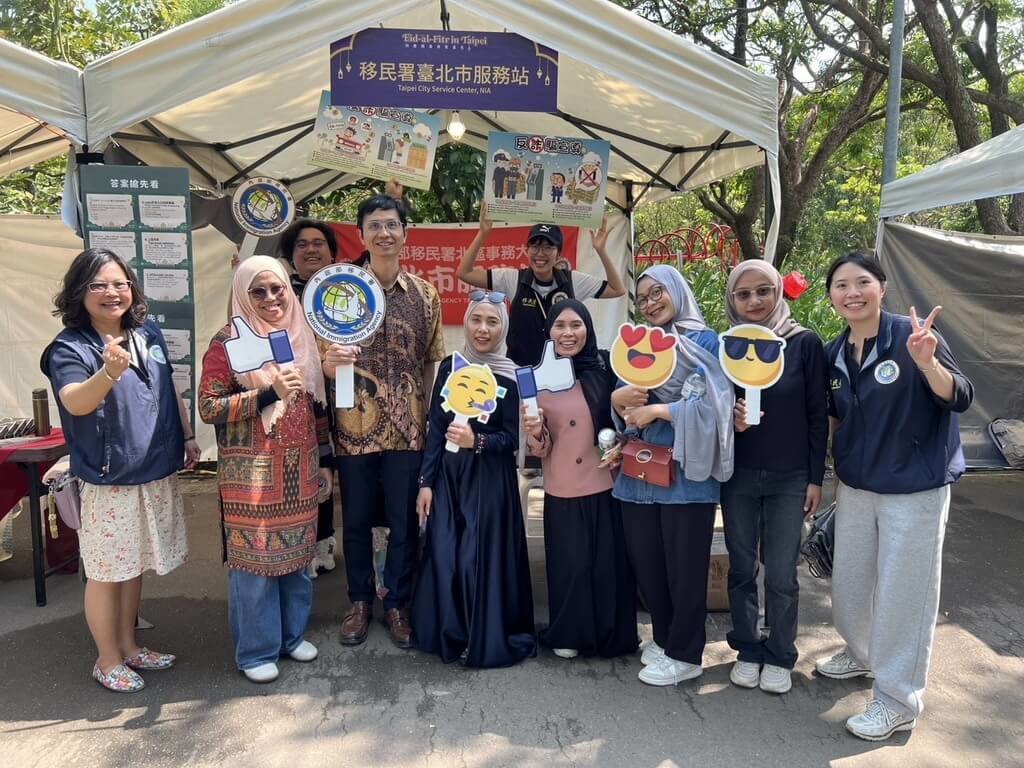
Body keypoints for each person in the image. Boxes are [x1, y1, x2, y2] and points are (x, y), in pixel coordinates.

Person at [815, 252, 973, 741]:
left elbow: (959, 395)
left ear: (881, 288)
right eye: (841, 285)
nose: (852, 293)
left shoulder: (914, 337)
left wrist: (928, 363)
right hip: (857, 487)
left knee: (905, 595)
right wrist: (831, 478)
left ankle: (897, 700)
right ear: (831, 296)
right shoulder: (834, 352)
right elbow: (835, 418)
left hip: (914, 488)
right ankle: (862, 652)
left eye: (862, 282)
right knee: (850, 585)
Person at [42, 248, 197, 693]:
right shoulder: (70, 347)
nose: (112, 293)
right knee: (107, 571)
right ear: (79, 292)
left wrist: (187, 436)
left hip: (154, 467)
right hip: (109, 476)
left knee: (134, 563)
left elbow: (168, 386)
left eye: (120, 283)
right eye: (99, 285)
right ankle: (106, 659)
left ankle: (129, 646)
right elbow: (75, 402)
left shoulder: (146, 331)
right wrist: (108, 373)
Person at [199, 256, 333, 684]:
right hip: (250, 475)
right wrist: (266, 394)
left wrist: (327, 462)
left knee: (297, 557)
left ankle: (291, 637)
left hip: (300, 469)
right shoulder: (229, 342)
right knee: (254, 563)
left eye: (277, 289)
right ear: (243, 294)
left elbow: (316, 406)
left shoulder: (301, 334)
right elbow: (208, 407)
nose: (271, 298)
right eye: (258, 291)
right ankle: (256, 650)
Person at [323, 195, 445, 649]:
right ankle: (359, 601)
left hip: (408, 429)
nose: (384, 233)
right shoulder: (341, 291)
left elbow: (430, 361)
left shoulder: (425, 295)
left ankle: (397, 602)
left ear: (405, 233)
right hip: (353, 426)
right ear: (362, 234)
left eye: (392, 225)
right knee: (355, 520)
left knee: (403, 521)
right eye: (374, 225)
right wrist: (331, 363)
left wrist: (427, 418)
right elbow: (323, 359)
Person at [610, 264, 734, 686]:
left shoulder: (706, 342)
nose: (650, 303)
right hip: (638, 475)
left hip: (686, 477)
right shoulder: (637, 344)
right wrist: (620, 400)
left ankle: (685, 653)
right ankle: (664, 639)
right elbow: (624, 410)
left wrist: (660, 410)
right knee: (648, 563)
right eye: (643, 298)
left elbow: (716, 407)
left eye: (657, 292)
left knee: (685, 568)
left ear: (677, 291)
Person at [719, 260, 828, 695]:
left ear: (778, 292)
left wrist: (815, 478)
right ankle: (747, 649)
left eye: (763, 290)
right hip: (738, 476)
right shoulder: (728, 345)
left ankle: (781, 653)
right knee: (741, 568)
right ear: (732, 299)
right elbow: (709, 408)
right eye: (743, 294)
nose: (754, 301)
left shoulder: (803, 344)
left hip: (790, 477)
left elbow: (818, 416)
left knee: (781, 572)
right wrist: (730, 420)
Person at [410, 293, 536, 667]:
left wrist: (476, 441)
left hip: (490, 484)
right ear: (465, 323)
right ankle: (448, 632)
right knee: (444, 554)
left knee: (474, 560)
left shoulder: (512, 375)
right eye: (476, 320)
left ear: (503, 328)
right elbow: (436, 428)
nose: (483, 329)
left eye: (492, 322)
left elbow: (512, 439)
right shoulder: (451, 366)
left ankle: (479, 633)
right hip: (448, 480)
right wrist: (425, 483)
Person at [523, 299, 638, 659]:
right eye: (560, 326)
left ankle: (611, 634)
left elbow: (624, 422)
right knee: (570, 564)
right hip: (563, 484)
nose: (568, 333)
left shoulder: (605, 367)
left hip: (605, 481)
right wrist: (534, 431)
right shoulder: (536, 378)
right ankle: (570, 632)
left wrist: (621, 437)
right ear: (549, 332)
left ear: (588, 328)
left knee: (606, 563)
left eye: (576, 325)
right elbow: (539, 448)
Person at [457, 205, 626, 366]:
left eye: (548, 247)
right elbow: (464, 273)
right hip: (521, 373)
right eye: (535, 246)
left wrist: (601, 250)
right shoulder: (513, 278)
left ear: (558, 254)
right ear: (526, 250)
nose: (540, 254)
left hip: (564, 373)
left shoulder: (572, 281)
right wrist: (483, 233)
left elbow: (617, 289)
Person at [279, 218, 339, 576]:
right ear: (291, 254)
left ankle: (325, 541)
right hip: (297, 395)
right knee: (306, 465)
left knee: (332, 466)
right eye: (302, 244)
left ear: (332, 252)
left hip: (345, 391)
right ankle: (300, 543)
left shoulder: (348, 287)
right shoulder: (279, 292)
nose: (311, 249)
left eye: (319, 243)